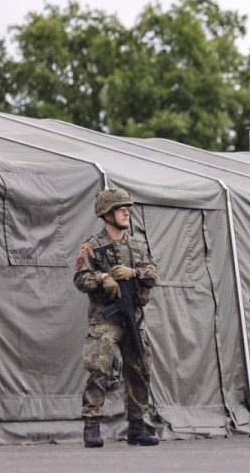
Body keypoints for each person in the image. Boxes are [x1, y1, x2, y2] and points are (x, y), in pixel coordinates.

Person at [74, 187, 159, 447]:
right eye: (121, 209)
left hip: (133, 318)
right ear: (106, 214)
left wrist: (133, 273)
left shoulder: (137, 246)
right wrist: (103, 277)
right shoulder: (91, 246)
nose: (127, 212)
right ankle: (92, 426)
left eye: (128, 208)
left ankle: (136, 427)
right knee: (98, 369)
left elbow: (153, 276)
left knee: (139, 371)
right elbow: (80, 278)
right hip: (105, 319)